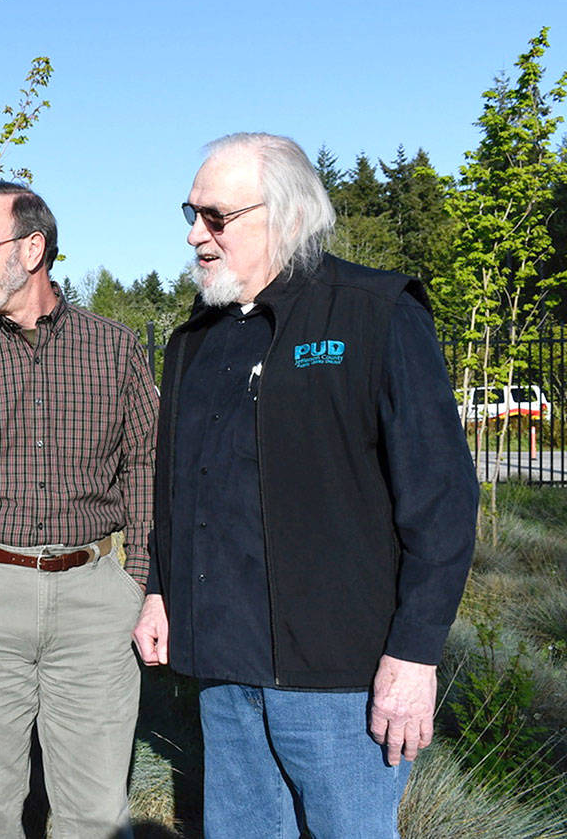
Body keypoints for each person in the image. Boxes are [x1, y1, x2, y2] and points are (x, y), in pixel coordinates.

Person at [135, 132, 479, 838]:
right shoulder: (194, 341)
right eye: (191, 213)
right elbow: (176, 487)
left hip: (341, 680)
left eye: (216, 217)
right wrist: (160, 590)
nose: (195, 234)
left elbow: (441, 500)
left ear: (286, 215)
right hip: (226, 670)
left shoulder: (375, 312)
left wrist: (415, 654)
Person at [0, 181, 159, 838]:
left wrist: (137, 581)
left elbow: (147, 469)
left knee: (95, 813)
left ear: (33, 248)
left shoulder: (115, 348)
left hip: (96, 602)